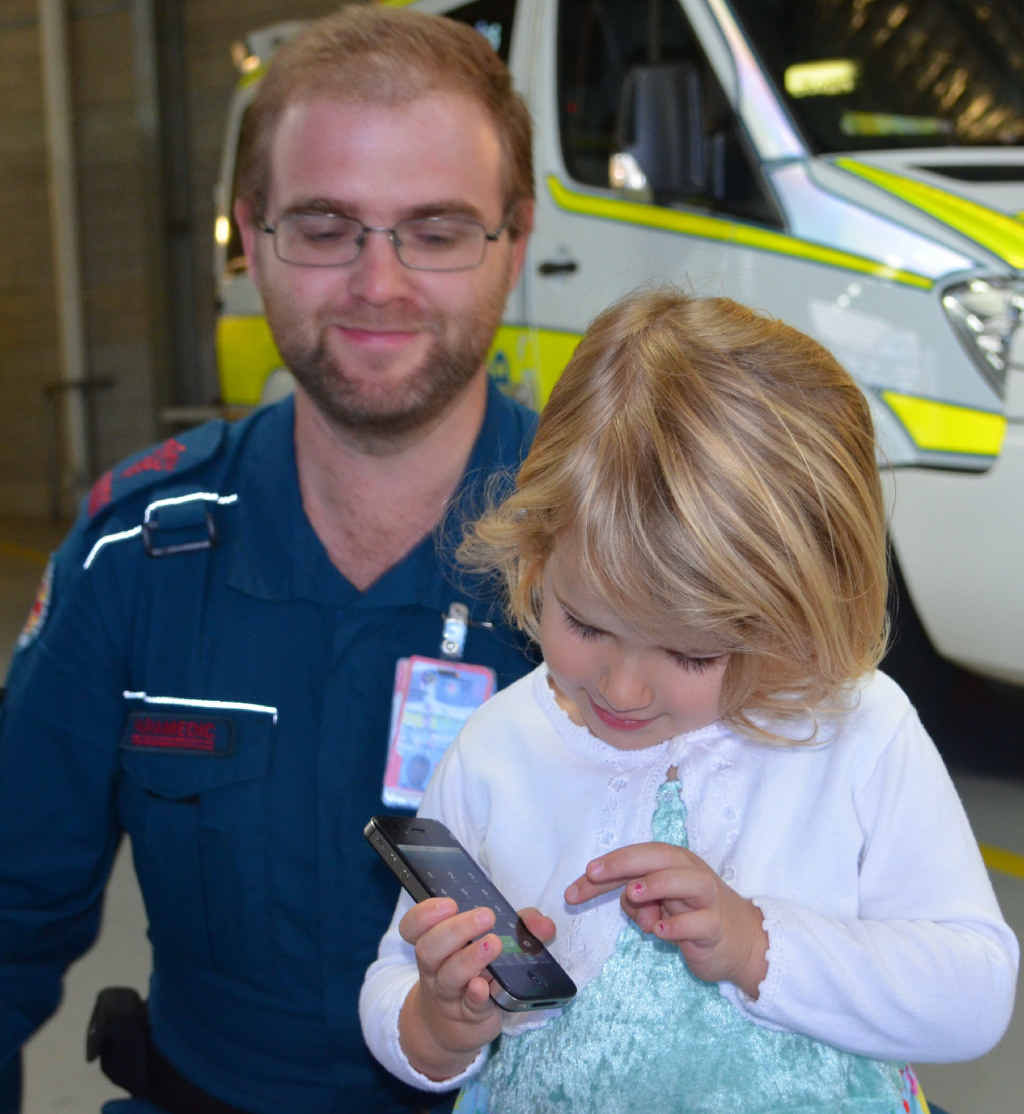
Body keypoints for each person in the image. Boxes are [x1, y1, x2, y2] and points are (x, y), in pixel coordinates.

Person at [0, 8, 538, 1114]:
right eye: (326, 226)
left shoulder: (631, 555)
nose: (377, 284)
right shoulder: (134, 558)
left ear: (513, 240)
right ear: (250, 234)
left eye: (434, 230)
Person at [359, 288, 1019, 1113]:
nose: (623, 688)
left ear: (797, 614)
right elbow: (393, 974)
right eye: (584, 623)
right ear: (536, 553)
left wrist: (755, 944)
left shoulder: (854, 730)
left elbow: (974, 993)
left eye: (693, 651)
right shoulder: (496, 750)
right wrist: (436, 1023)